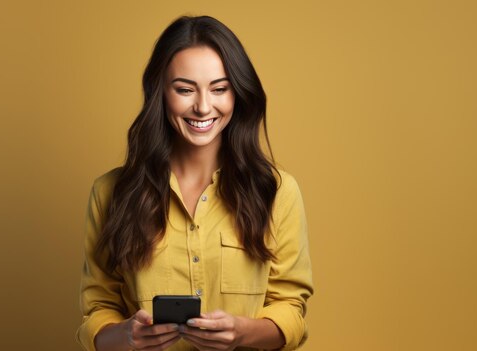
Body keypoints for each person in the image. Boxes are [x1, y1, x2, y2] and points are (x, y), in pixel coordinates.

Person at [76, 15, 314, 351]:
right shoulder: (109, 193)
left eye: (219, 89)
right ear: (160, 91)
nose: (203, 107)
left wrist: (242, 333)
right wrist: (127, 336)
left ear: (238, 94)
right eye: (185, 89)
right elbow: (97, 310)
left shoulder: (277, 192)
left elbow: (291, 309)